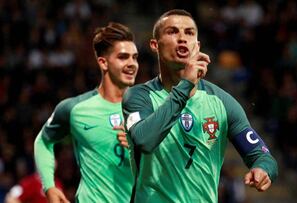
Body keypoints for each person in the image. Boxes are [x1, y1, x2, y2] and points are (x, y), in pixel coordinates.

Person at [121, 9, 278, 202]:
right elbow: (145, 141)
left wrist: (263, 169)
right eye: (172, 32)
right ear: (155, 45)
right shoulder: (139, 97)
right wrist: (185, 85)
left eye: (189, 33)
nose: (182, 38)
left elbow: (262, 156)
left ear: (197, 45)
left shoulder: (222, 102)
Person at [34, 22, 138, 202]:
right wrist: (49, 187)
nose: (132, 64)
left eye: (135, 57)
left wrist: (140, 149)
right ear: (103, 63)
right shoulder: (75, 109)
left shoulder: (150, 109)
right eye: (123, 57)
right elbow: (43, 141)